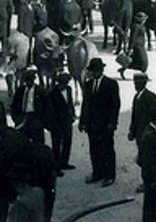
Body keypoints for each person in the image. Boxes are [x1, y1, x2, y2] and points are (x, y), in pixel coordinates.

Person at [80, 57, 120, 187]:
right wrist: (82, 121)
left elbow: (115, 105)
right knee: (94, 149)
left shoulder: (111, 84)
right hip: (92, 124)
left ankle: (109, 175)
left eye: (96, 70)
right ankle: (97, 172)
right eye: (92, 70)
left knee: (107, 149)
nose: (94, 73)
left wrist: (112, 122)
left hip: (105, 124)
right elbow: (85, 104)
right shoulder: (88, 84)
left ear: (101, 70)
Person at [44, 72, 75, 171]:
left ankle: (64, 162)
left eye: (65, 83)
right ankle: (56, 165)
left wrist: (72, 114)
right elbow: (49, 109)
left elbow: (70, 103)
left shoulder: (69, 90)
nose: (64, 85)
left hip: (67, 120)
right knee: (56, 144)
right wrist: (50, 123)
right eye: (62, 83)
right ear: (58, 83)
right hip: (56, 121)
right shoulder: (52, 92)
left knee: (67, 141)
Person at [10, 67, 45, 143]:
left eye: (31, 80)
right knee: (22, 143)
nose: (29, 82)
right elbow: (14, 106)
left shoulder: (40, 91)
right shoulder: (20, 91)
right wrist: (16, 118)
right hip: (22, 118)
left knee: (37, 144)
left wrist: (42, 122)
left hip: (35, 118)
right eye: (27, 80)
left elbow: (47, 107)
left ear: (33, 80)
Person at [119, 12, 148, 79]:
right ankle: (144, 77)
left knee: (136, 61)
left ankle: (123, 69)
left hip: (141, 46)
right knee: (144, 62)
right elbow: (132, 37)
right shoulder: (135, 26)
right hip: (137, 46)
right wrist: (131, 48)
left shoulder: (141, 25)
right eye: (143, 19)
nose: (144, 20)